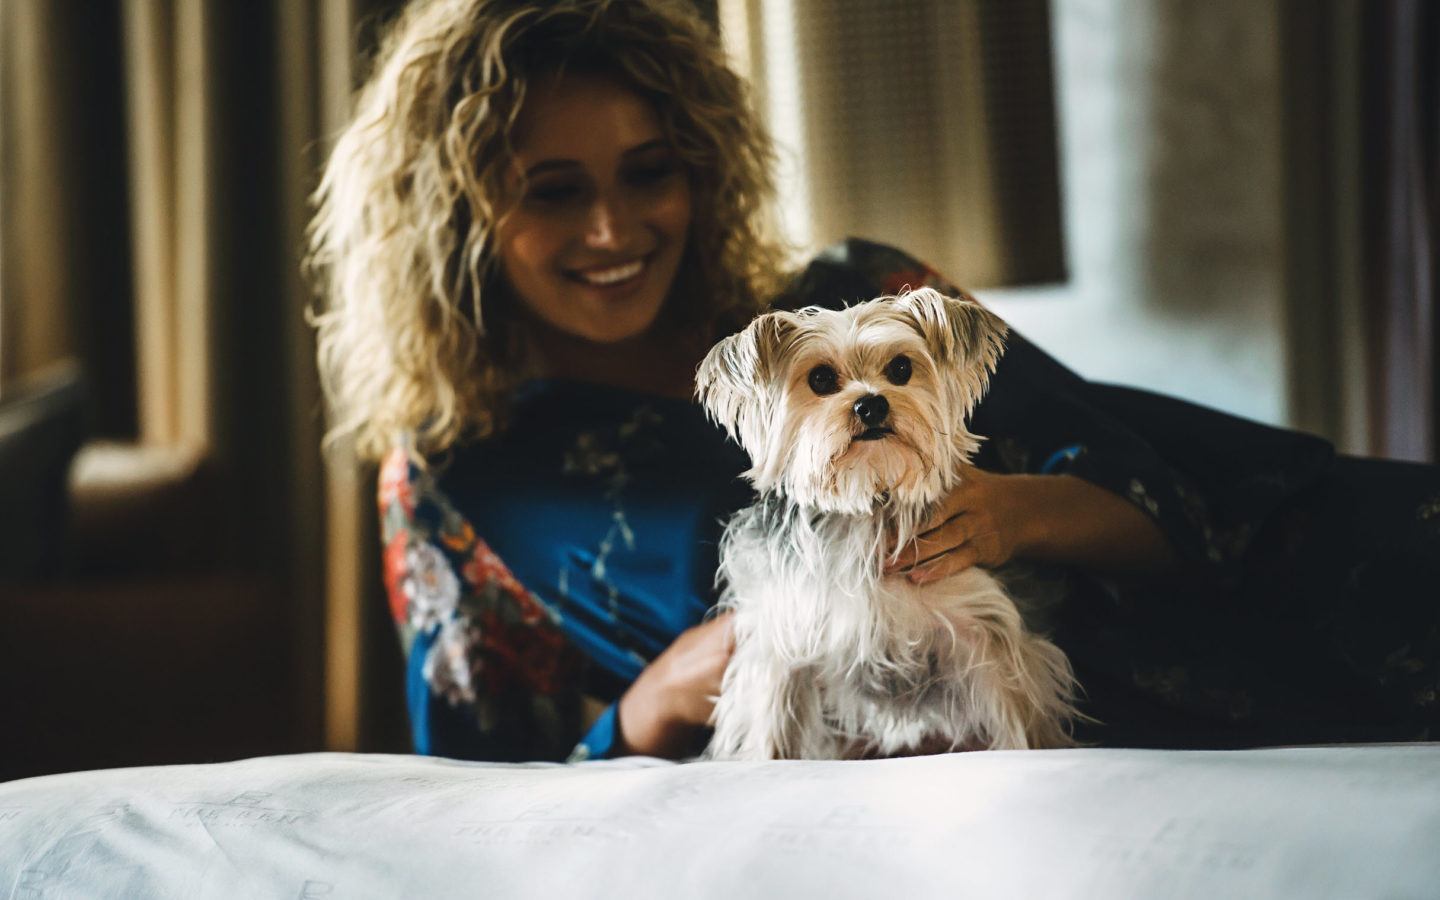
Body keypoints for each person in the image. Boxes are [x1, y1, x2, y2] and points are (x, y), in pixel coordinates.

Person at [309, 0, 1440, 762]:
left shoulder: (857, 292)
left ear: (699, 170)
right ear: (458, 223)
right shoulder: (456, 480)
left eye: (648, 173)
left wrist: (1011, 513)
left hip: (1184, 646)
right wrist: (645, 707)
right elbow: (475, 790)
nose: (613, 228)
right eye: (552, 191)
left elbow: (1171, 505)